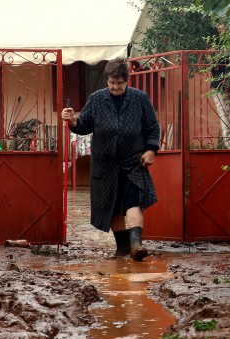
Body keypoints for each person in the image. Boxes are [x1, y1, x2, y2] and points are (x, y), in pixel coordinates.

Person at [61, 57, 160, 261]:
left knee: (133, 202)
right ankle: (122, 248)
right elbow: (83, 126)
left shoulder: (140, 99)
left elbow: (152, 127)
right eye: (112, 83)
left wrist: (151, 150)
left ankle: (136, 247)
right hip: (105, 165)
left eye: (120, 83)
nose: (115, 87)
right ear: (107, 80)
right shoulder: (97, 99)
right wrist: (72, 120)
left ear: (127, 81)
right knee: (113, 206)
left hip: (133, 162)